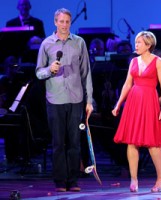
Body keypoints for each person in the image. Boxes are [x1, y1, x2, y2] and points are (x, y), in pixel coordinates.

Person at [35, 8, 93, 192]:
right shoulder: (46, 44)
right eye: (61, 21)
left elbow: (86, 72)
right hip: (55, 99)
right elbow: (38, 72)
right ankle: (60, 181)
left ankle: (73, 180)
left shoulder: (79, 42)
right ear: (55, 22)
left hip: (76, 99)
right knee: (59, 142)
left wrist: (89, 100)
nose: (65, 25)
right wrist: (49, 70)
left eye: (67, 22)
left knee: (75, 142)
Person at [112, 31, 161, 193]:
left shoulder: (158, 62)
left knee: (152, 142)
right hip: (134, 102)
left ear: (148, 45)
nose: (136, 45)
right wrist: (118, 104)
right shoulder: (134, 61)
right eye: (135, 43)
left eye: (139, 43)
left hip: (149, 101)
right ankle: (134, 179)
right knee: (132, 141)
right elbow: (127, 85)